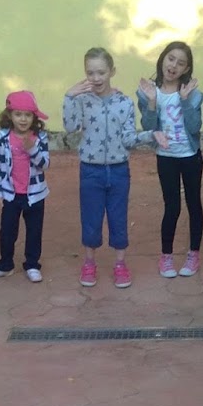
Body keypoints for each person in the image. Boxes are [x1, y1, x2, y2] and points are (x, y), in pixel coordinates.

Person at [63, 47, 159, 290]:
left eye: (101, 72)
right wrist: (69, 96)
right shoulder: (82, 100)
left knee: (118, 217)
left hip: (118, 170)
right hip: (90, 170)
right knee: (91, 218)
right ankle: (89, 262)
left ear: (112, 72)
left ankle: (120, 264)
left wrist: (151, 135)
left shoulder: (124, 103)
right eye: (90, 73)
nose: (96, 78)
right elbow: (70, 127)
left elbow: (128, 138)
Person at [137, 40, 203, 279]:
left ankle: (193, 254)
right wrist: (151, 102)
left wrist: (184, 100)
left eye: (181, 63)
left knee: (194, 204)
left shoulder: (193, 94)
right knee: (172, 206)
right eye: (171, 59)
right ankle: (166, 256)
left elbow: (195, 127)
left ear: (187, 69)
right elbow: (148, 127)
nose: (174, 66)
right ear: (163, 59)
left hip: (190, 156)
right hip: (166, 158)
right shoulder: (148, 92)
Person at [0, 91, 51, 283]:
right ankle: (5, 265)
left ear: (34, 117)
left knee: (34, 231)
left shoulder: (40, 137)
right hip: (10, 194)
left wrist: (32, 149)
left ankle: (32, 264)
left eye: (28, 115)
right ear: (10, 115)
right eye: (18, 114)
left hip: (35, 195)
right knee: (7, 232)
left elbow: (45, 164)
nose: (23, 119)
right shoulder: (2, 137)